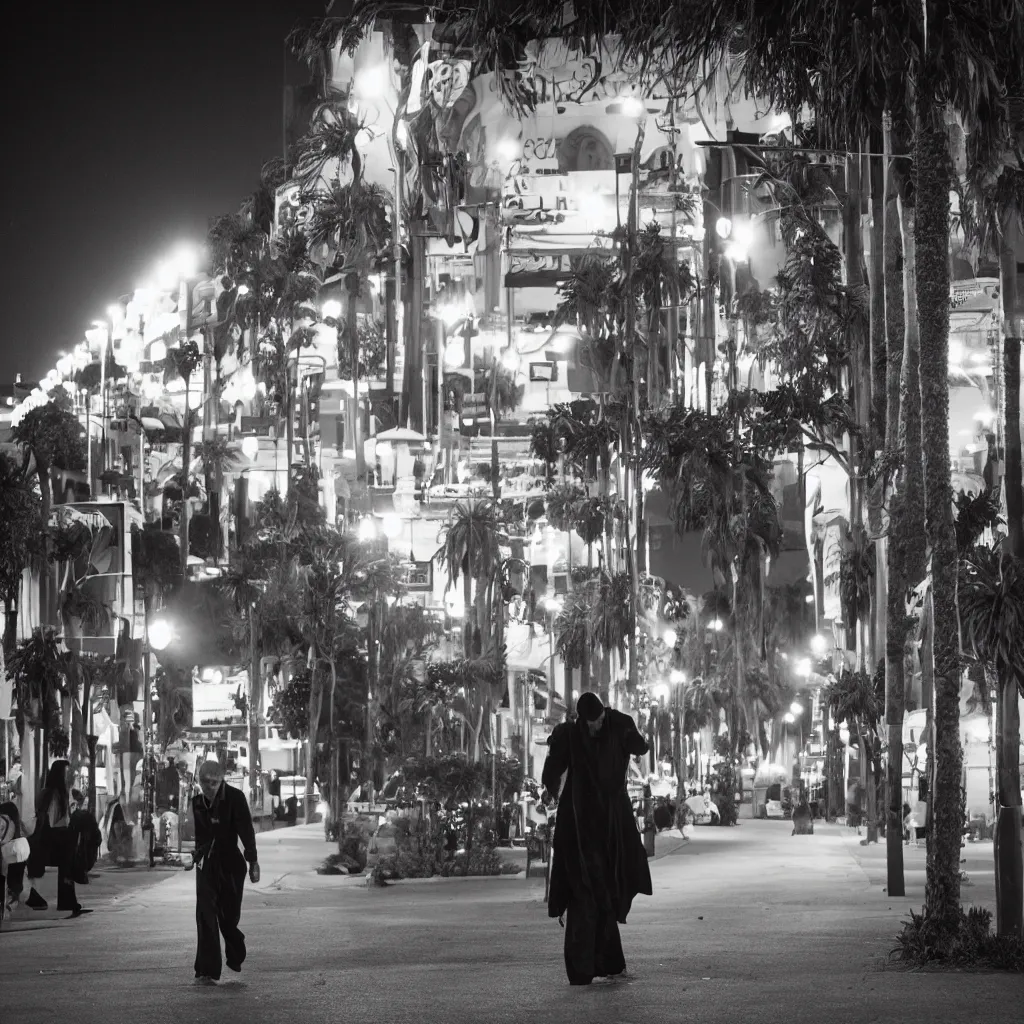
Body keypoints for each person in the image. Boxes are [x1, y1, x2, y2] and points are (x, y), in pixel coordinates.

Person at [542, 692, 653, 986]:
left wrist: (632, 734)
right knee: (586, 894)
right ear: (582, 719)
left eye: (598, 721)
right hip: (578, 824)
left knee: (603, 891)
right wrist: (549, 790)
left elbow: (640, 746)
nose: (595, 727)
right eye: (590, 723)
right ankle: (590, 969)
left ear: (603, 714)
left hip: (610, 822)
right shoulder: (570, 733)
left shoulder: (617, 724)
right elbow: (553, 765)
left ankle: (604, 966)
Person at [188, 760, 260, 984]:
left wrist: (253, 861)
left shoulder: (235, 799)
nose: (209, 788)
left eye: (214, 783)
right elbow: (200, 837)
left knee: (228, 920)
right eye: (204, 783)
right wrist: (194, 858)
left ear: (222, 781)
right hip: (207, 866)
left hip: (231, 865)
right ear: (199, 782)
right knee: (205, 916)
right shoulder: (197, 803)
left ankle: (236, 951)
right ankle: (207, 969)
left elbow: (246, 831)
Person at [25, 759, 91, 916]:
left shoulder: (53, 793)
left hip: (52, 836)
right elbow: (52, 821)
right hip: (51, 837)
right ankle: (68, 899)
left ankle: (68, 898)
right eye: (66, 773)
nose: (69, 776)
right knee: (70, 853)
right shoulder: (53, 794)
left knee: (72, 849)